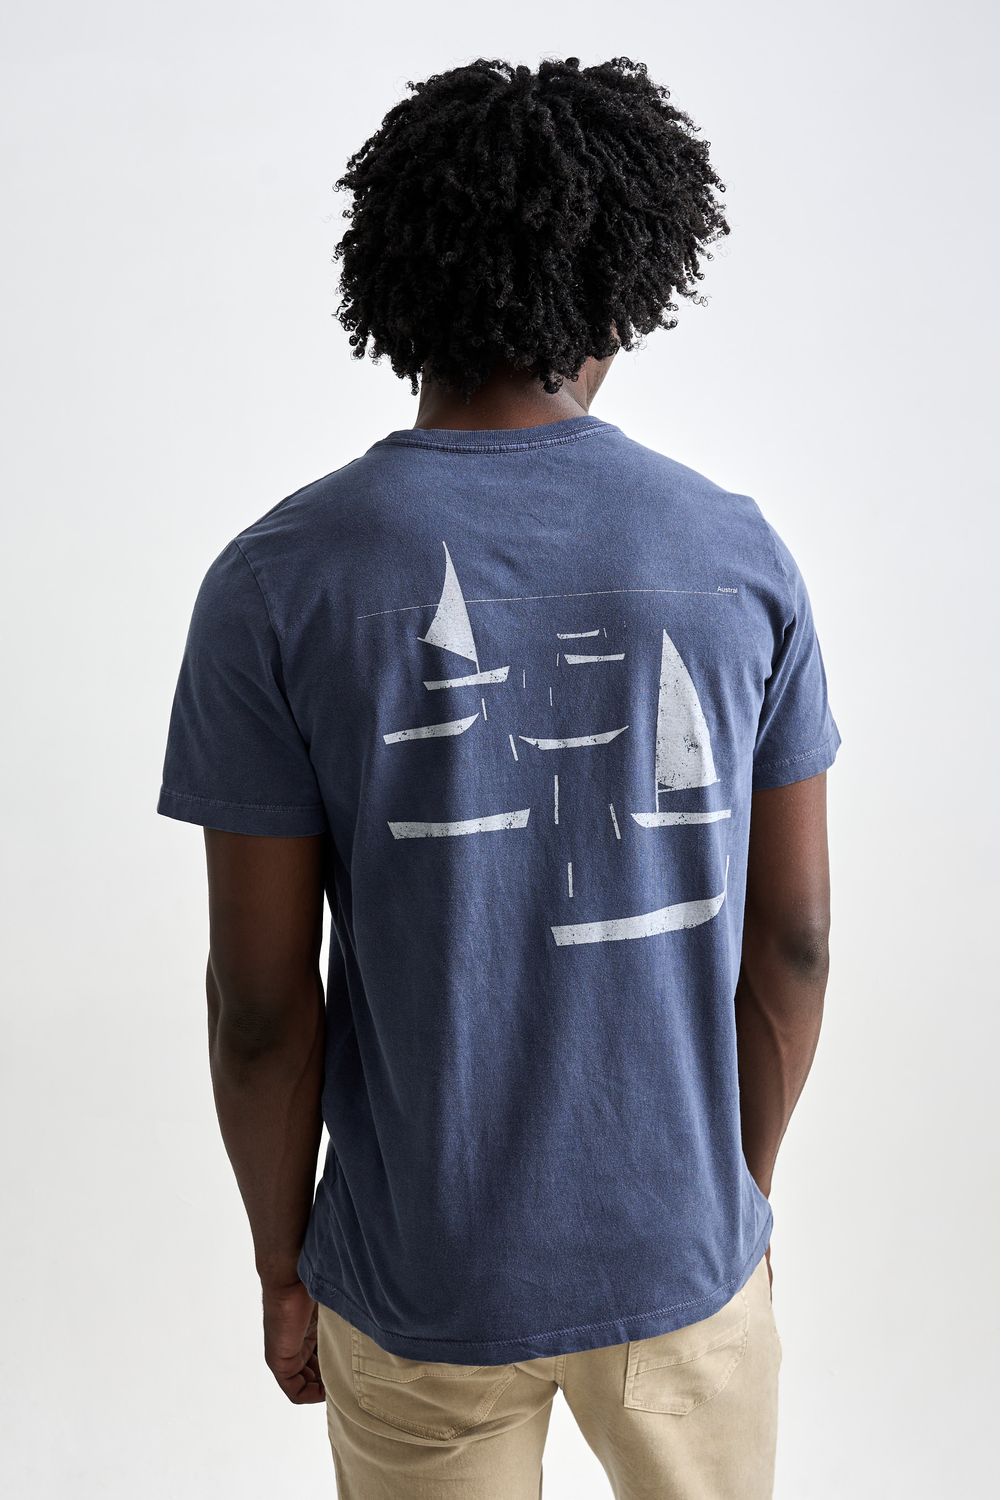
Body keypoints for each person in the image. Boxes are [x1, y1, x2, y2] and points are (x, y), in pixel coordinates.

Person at [157, 56, 841, 1500]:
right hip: (680, 1257)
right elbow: (792, 945)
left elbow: (264, 1007)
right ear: (621, 289)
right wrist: (733, 1207)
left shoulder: (277, 582)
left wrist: (284, 1264)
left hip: (419, 1275)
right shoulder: (737, 556)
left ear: (399, 283)